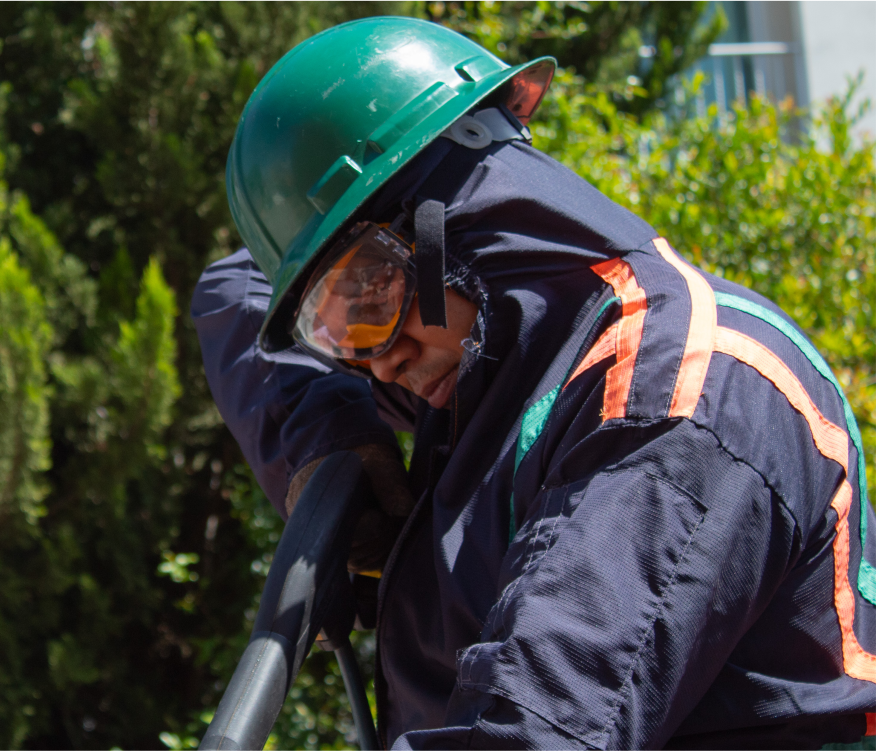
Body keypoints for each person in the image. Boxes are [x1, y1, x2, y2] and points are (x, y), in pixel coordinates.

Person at [193, 17, 876, 748]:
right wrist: (331, 441)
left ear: (459, 219)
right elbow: (237, 288)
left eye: (370, 304)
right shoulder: (486, 369)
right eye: (334, 335)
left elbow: (532, 730)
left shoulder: (669, 400)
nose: (377, 364)